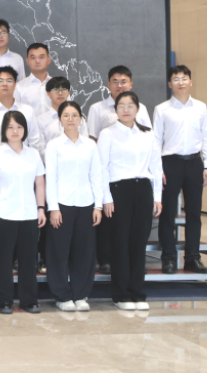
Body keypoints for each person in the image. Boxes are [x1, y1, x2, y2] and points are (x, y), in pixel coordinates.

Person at [99, 91, 163, 310]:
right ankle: (121, 295)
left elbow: (156, 166)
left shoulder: (147, 134)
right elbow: (102, 169)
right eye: (121, 106)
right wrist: (106, 198)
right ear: (115, 110)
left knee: (138, 243)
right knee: (120, 244)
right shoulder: (107, 134)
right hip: (118, 191)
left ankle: (137, 292)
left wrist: (157, 197)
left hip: (143, 190)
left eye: (130, 106)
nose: (126, 110)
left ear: (137, 109)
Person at [87, 65, 152, 274]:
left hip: (137, 176)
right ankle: (106, 258)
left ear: (130, 84)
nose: (119, 85)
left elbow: (148, 139)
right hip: (109, 173)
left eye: (124, 81)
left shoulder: (141, 108)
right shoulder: (97, 108)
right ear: (109, 84)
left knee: (133, 229)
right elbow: (93, 138)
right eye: (115, 81)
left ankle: (133, 269)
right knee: (109, 222)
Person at [44, 101, 104, 312]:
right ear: (60, 119)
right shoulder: (54, 146)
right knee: (58, 252)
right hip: (62, 204)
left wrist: (98, 206)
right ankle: (62, 295)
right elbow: (50, 178)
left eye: (74, 115)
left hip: (86, 204)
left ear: (81, 119)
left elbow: (96, 176)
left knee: (84, 252)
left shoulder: (90, 145)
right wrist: (53, 208)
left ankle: (81, 294)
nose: (70, 119)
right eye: (66, 115)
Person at [153, 65, 207, 274]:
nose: (181, 82)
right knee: (168, 213)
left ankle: (192, 258)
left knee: (194, 213)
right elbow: (155, 141)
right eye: (176, 79)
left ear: (190, 82)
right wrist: (157, 169)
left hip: (195, 162)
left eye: (184, 78)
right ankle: (168, 258)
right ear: (170, 84)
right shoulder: (161, 109)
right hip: (170, 163)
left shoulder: (201, 107)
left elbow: (206, 136)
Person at [0, 110, 46, 315]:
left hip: (29, 213)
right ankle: (3, 300)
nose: (15, 131)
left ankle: (29, 300)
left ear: (24, 130)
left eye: (19, 127)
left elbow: (40, 183)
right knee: (3, 261)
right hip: (3, 213)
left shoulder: (33, 154)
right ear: (4, 130)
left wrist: (41, 208)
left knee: (28, 260)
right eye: (10, 127)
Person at [0, 66, 44, 156]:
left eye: (9, 81)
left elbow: (34, 142)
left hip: (23, 162)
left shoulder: (27, 111)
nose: (4, 84)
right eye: (0, 81)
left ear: (15, 85)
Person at [16, 43, 54, 114]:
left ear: (49, 60)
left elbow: (67, 110)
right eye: (33, 58)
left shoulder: (58, 85)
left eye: (41, 57)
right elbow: (15, 114)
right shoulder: (18, 88)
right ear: (27, 61)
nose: (37, 61)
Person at [37, 77, 75, 145]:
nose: (60, 93)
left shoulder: (78, 119)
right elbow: (40, 147)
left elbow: (85, 144)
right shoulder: (40, 121)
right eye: (56, 89)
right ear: (48, 93)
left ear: (68, 93)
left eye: (63, 89)